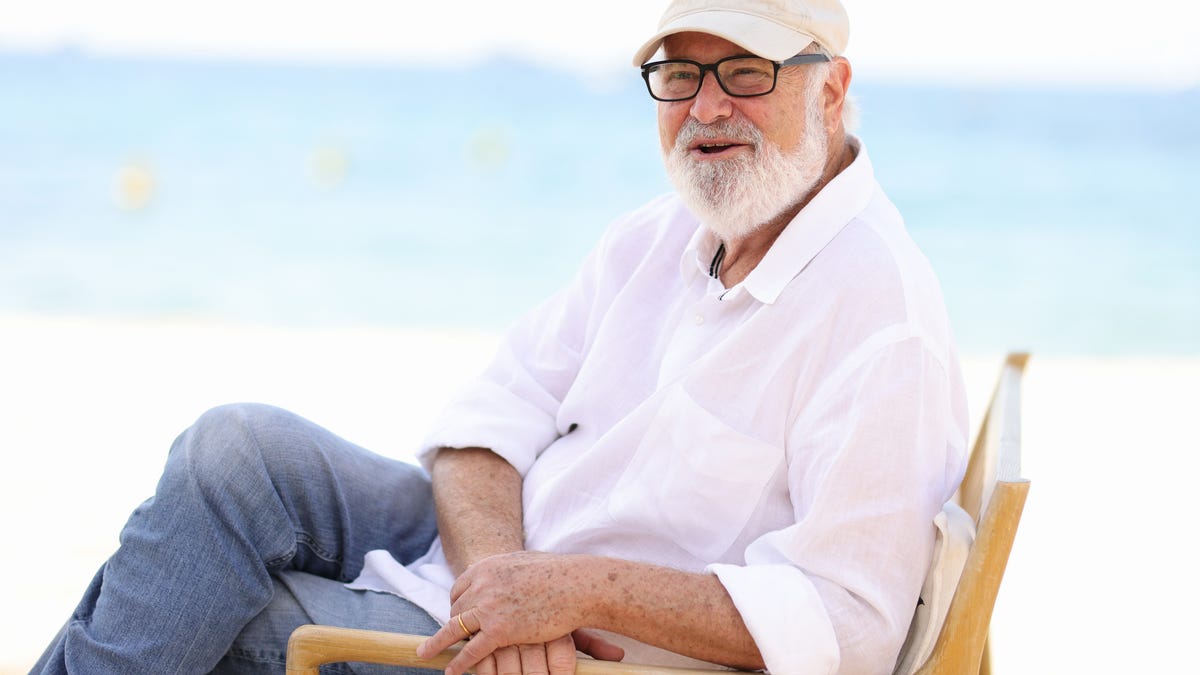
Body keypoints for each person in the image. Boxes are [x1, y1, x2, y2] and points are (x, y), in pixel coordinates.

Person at [35, 0, 968, 673]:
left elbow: (848, 621)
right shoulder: (659, 237)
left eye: (746, 71)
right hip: (503, 576)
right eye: (680, 73)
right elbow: (493, 412)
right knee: (228, 450)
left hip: (596, 656)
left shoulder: (878, 318)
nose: (707, 107)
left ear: (832, 89)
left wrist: (579, 592)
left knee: (224, 619)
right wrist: (504, 584)